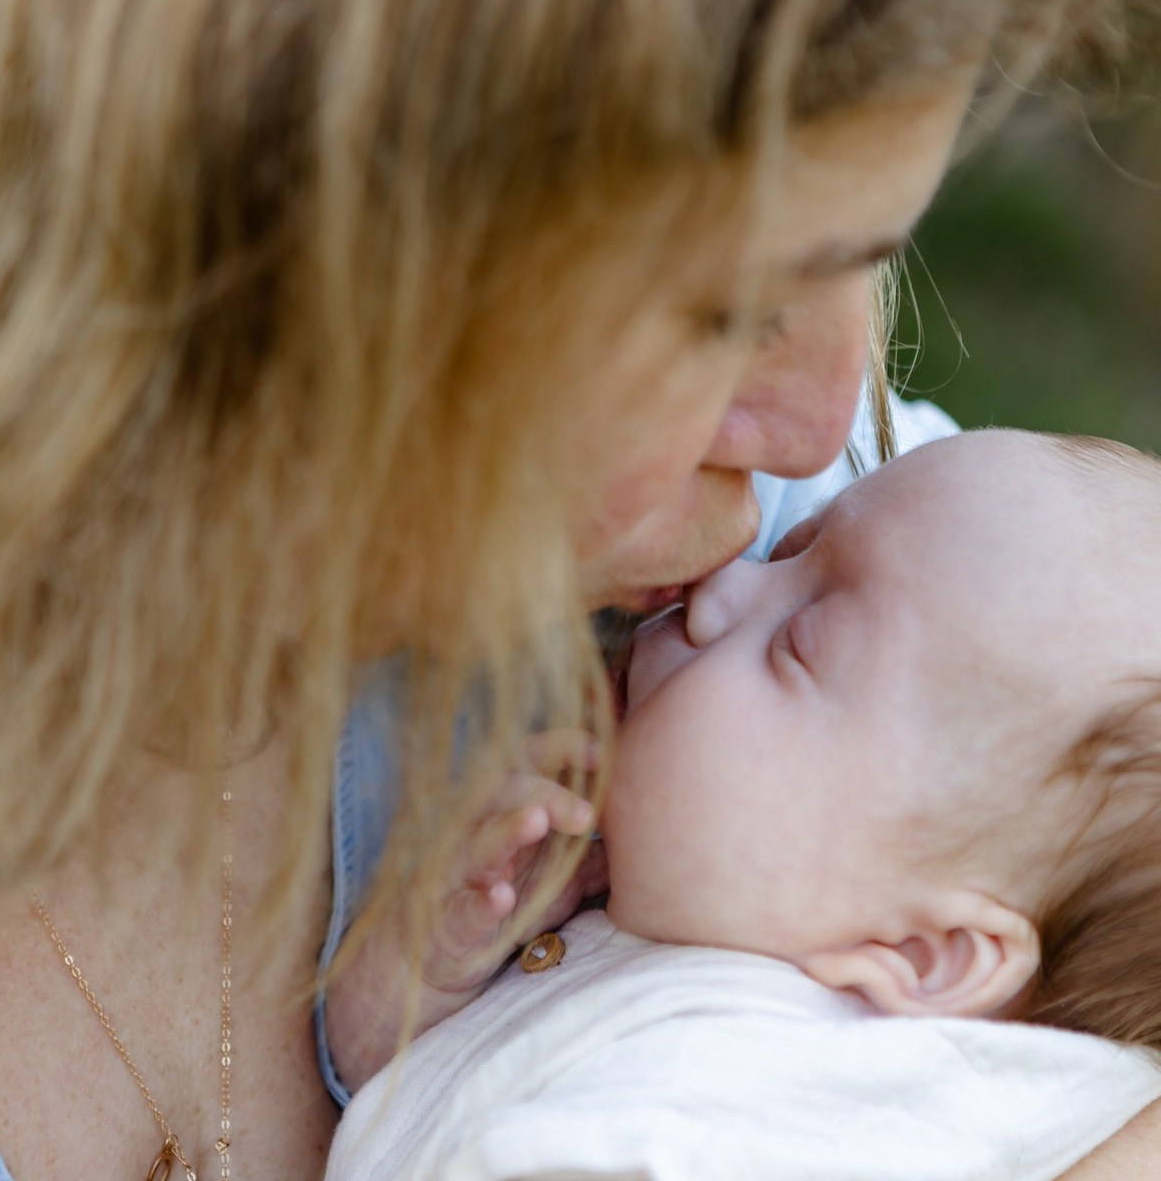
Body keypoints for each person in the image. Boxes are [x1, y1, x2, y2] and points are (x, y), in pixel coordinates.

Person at [0, 0, 1158, 1180]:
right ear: (302, 258)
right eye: (729, 307)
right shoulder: (794, 648)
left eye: (869, 255)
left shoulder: (900, 598)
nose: (822, 431)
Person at [325, 428, 1161, 1181]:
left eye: (797, 645)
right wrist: (422, 965)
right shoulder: (728, 923)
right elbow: (384, 1111)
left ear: (924, 951)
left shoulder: (795, 1114)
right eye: (789, 552)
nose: (723, 586)